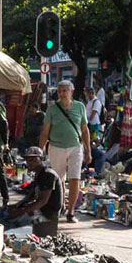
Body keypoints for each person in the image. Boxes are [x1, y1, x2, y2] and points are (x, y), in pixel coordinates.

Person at [44, 80, 90, 219]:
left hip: (75, 147)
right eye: (60, 91)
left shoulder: (80, 107)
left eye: (65, 91)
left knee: (75, 178)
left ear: (72, 91)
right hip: (56, 147)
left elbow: (84, 129)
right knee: (58, 180)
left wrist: (88, 150)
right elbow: (45, 132)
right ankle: (60, 206)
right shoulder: (52, 109)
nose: (62, 94)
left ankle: (71, 211)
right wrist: (40, 150)